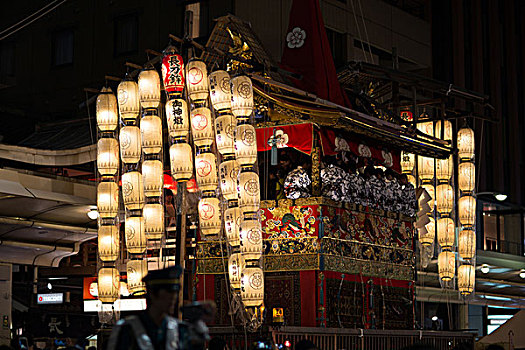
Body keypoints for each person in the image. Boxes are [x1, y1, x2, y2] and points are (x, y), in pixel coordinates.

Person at [107, 266, 210, 350]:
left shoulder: (179, 329)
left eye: (175, 293)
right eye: (168, 292)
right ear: (152, 294)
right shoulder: (128, 328)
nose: (173, 298)